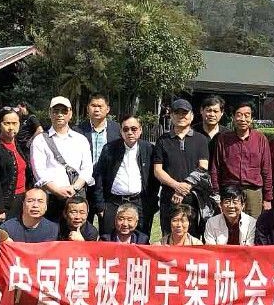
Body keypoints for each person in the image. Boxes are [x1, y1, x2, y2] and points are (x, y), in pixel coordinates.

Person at [93, 115, 159, 237]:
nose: (130, 132)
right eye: (126, 129)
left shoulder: (149, 149)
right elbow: (99, 177)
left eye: (133, 129)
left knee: (141, 242)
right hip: (113, 203)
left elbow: (154, 180)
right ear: (121, 131)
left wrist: (150, 205)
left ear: (140, 130)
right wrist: (101, 206)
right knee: (108, 241)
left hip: (139, 203)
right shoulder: (109, 149)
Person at [31, 96, 94, 225]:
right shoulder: (40, 140)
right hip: (51, 198)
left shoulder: (80, 139)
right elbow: (38, 171)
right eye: (56, 111)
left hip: (76, 198)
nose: (60, 115)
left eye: (64, 111)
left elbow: (87, 169)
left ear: (70, 113)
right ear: (50, 113)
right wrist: (56, 190)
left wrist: (75, 188)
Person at [153, 99, 210, 236]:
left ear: (191, 116)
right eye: (177, 113)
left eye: (185, 113)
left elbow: (203, 167)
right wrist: (176, 185)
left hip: (193, 197)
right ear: (171, 116)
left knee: (192, 236)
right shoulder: (162, 140)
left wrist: (184, 187)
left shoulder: (201, 139)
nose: (181, 116)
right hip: (169, 197)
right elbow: (158, 170)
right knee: (169, 235)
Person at [210, 100, 273, 217]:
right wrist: (216, 193)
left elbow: (266, 169)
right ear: (233, 117)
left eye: (247, 115)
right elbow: (215, 168)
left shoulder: (260, 139)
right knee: (229, 227)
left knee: (252, 228)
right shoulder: (223, 139)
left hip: (253, 192)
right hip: (229, 190)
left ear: (252, 118)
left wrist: (268, 198)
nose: (243, 119)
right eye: (239, 115)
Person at [76, 93, 122, 223]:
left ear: (107, 109)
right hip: (84, 184)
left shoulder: (117, 130)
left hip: (107, 186)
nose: (96, 109)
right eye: (93, 106)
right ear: (87, 108)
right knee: (84, 224)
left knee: (107, 226)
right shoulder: (78, 131)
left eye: (100, 106)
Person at [0, 107, 30, 223]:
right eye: (7, 123)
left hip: (22, 197)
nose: (11, 127)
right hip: (6, 201)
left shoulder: (19, 144)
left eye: (14, 123)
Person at [194, 95, 226, 166]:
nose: (212, 114)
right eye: (208, 110)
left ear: (222, 113)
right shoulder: (192, 132)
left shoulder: (227, 134)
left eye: (215, 111)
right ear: (201, 110)